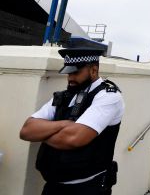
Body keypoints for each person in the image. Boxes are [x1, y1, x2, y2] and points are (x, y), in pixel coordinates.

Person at [19, 47, 125, 194]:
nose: (70, 78)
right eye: (68, 73)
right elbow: (26, 131)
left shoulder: (108, 97)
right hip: (52, 186)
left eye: (75, 72)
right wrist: (64, 124)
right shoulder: (64, 96)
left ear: (93, 70)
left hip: (87, 188)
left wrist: (43, 133)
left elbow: (72, 138)